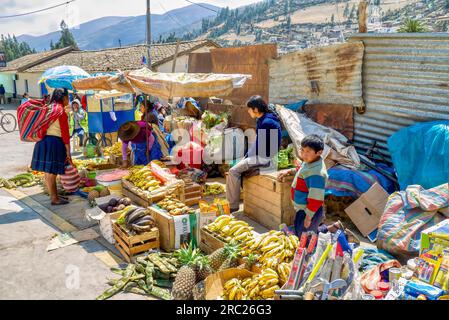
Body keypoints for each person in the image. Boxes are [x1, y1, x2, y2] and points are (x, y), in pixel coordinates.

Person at [226, 96, 281, 213]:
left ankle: (232, 206)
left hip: (265, 158)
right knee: (239, 165)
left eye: (249, 109)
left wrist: (249, 159)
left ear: (255, 109)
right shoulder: (263, 119)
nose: (248, 111)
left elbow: (262, 148)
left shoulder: (267, 123)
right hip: (263, 155)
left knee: (233, 171)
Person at [277, 135, 341, 236]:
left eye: (308, 151)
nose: (303, 154)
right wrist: (289, 171)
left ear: (319, 152)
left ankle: (334, 233)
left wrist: (308, 218)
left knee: (304, 238)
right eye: (302, 150)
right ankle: (330, 228)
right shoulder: (310, 162)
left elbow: (316, 199)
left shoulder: (317, 173)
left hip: (309, 211)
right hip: (303, 209)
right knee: (305, 232)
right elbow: (302, 171)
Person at [31, 88, 72, 205]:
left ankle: (54, 196)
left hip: (43, 142)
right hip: (54, 143)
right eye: (68, 97)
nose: (68, 100)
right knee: (52, 173)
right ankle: (55, 198)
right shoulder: (60, 112)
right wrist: (68, 151)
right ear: (64, 98)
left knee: (48, 173)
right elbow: (65, 134)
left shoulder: (48, 108)